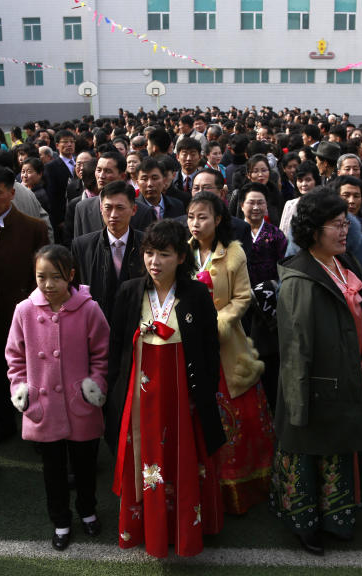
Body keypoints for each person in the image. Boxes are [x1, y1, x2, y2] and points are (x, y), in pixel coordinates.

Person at [272, 188, 362, 556]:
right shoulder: (301, 279)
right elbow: (295, 349)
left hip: (346, 379)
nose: (344, 230)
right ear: (313, 230)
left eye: (345, 222)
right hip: (314, 387)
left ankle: (336, 519)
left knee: (336, 453)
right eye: (336, 225)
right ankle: (304, 525)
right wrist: (297, 403)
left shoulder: (343, 261)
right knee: (306, 454)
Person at [106, 220, 225, 557]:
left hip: (183, 399)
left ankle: (183, 528)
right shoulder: (130, 291)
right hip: (140, 399)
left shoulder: (198, 295)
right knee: (145, 460)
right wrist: (114, 389)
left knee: (184, 459)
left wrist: (205, 389)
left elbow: (210, 348)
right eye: (149, 253)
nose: (154, 261)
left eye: (164, 254)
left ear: (181, 257)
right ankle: (145, 527)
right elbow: (116, 347)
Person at [6, 245, 110, 550]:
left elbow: (101, 354)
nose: (48, 284)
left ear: (71, 276)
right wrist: (20, 389)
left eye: (56, 277)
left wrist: (95, 385)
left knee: (86, 464)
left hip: (81, 403)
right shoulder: (24, 310)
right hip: (44, 404)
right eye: (41, 277)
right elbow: (15, 357)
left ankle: (87, 510)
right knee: (52, 469)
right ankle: (61, 520)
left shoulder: (89, 309)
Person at [187, 192, 274, 514]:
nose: (196, 224)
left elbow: (242, 298)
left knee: (240, 416)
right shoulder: (183, 252)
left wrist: (217, 324)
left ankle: (240, 487)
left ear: (219, 219)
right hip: (191, 344)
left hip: (227, 345)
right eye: (191, 217)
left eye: (203, 217)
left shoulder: (234, 253)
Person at [0, 166, 50, 443]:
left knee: (31, 375)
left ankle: (38, 427)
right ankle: (2, 424)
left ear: (12, 194)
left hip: (21, 315)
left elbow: (41, 278)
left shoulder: (33, 228)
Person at [71, 181, 145, 323]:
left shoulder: (147, 245)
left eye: (120, 208)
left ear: (134, 210)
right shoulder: (82, 246)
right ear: (100, 208)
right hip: (95, 324)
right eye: (108, 208)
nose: (113, 214)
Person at [279, 160, 320, 239]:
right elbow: (283, 233)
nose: (304, 184)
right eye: (300, 180)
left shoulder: (323, 203)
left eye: (308, 180)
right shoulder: (290, 204)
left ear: (316, 181)